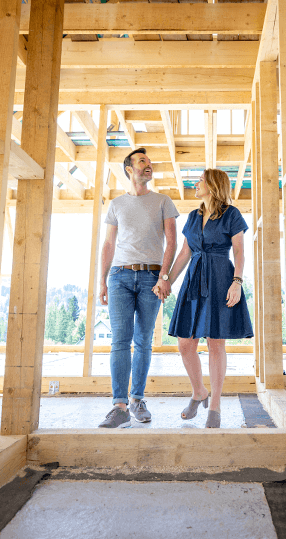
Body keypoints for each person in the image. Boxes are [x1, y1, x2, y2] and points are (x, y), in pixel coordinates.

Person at [162, 168, 253, 428]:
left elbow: (239, 251)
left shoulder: (231, 215)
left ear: (212, 186)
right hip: (193, 281)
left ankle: (215, 405)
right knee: (185, 344)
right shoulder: (192, 217)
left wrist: (237, 282)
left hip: (221, 279)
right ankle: (199, 391)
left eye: (200, 180)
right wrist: (166, 280)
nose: (196, 183)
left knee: (216, 343)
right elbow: (183, 255)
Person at [97, 147, 179, 428]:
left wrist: (164, 277)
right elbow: (109, 244)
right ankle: (119, 406)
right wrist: (102, 280)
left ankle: (137, 400)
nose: (148, 166)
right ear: (129, 169)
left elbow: (172, 241)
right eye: (142, 162)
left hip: (151, 278)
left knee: (143, 340)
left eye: (149, 163)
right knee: (120, 340)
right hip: (119, 277)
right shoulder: (117, 204)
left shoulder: (163, 201)